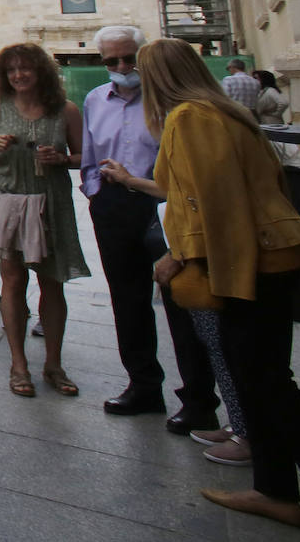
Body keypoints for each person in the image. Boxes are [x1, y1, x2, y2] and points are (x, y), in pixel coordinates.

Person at [99, 38, 300, 542]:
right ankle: (276, 491)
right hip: (266, 256)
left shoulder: (190, 119)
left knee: (272, 387)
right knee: (257, 380)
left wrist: (176, 255)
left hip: (249, 264)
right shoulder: (224, 112)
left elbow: (211, 203)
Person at [81, 26, 220, 433]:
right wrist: (95, 192)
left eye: (129, 59)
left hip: (165, 206)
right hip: (114, 206)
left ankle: (198, 398)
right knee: (127, 298)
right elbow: (91, 154)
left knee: (182, 299)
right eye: (112, 61)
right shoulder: (95, 100)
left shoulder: (171, 102)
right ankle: (143, 385)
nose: (122, 67)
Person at [0, 43, 89, 399]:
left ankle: (53, 364)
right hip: (8, 199)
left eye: (25, 68)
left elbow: (85, 156)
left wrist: (62, 158)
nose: (19, 75)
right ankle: (18, 364)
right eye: (11, 70)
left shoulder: (65, 111)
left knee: (52, 281)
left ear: (41, 71)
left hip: (50, 200)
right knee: (12, 281)